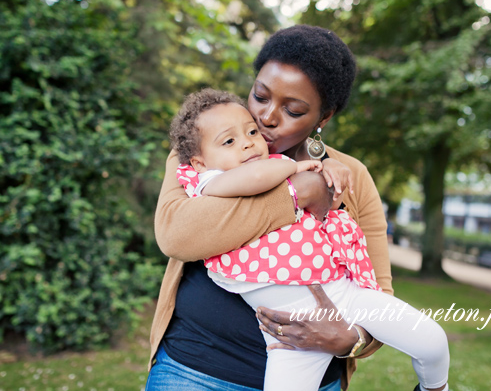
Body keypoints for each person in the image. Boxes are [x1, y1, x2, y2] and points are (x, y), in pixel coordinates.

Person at [148, 25, 400, 391]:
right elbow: (177, 235)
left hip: (312, 380)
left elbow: (379, 292)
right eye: (260, 96)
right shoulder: (202, 149)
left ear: (323, 118)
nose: (266, 117)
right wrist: (296, 193)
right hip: (194, 372)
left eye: (293, 109)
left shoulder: (351, 176)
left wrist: (353, 339)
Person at [166, 88, 450, 391]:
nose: (249, 142)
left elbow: (316, 188)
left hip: (346, 298)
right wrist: (298, 171)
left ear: (322, 117)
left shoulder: (277, 161)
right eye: (230, 141)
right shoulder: (209, 178)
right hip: (285, 339)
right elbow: (252, 180)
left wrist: (327, 166)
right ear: (198, 162)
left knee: (433, 342)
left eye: (251, 132)